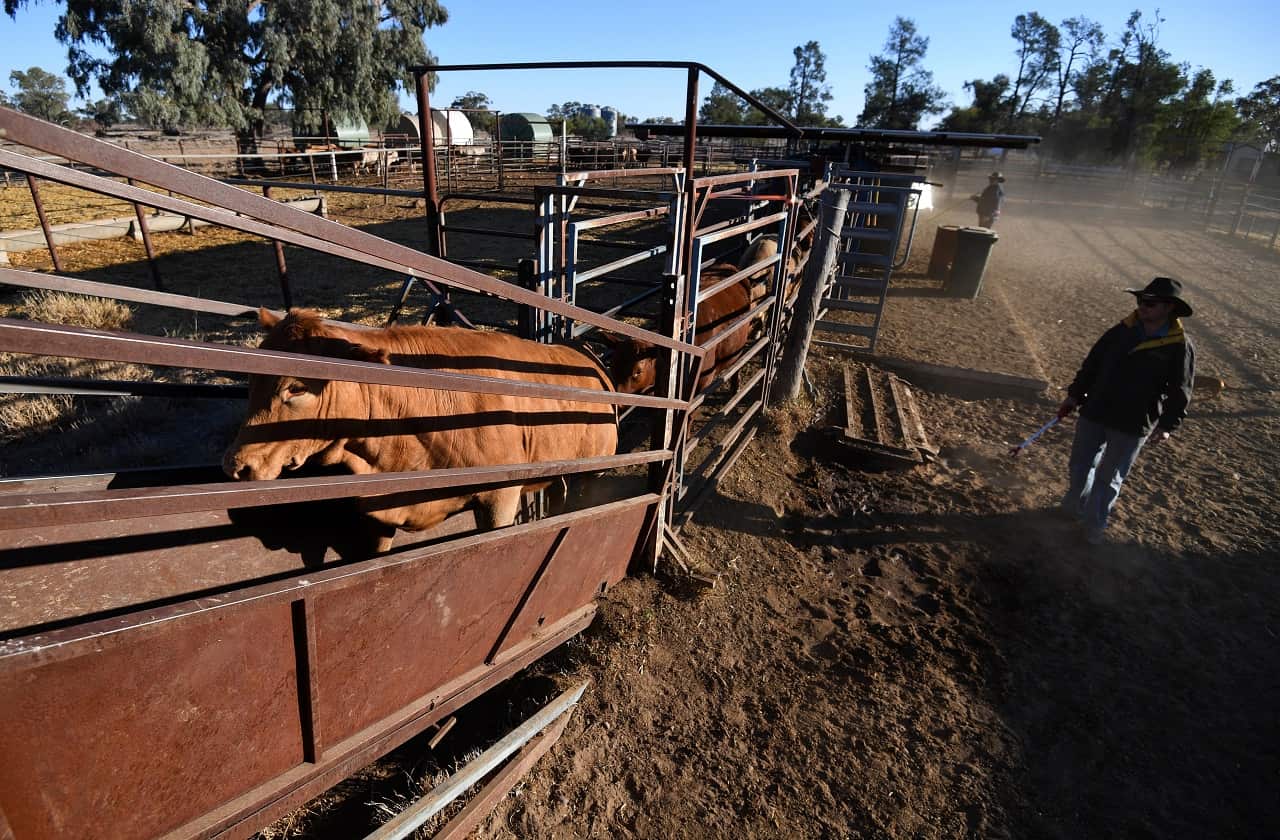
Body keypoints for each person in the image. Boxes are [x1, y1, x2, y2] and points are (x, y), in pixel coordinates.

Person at [1057, 277, 1196, 544]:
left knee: (1109, 476)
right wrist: (1075, 395)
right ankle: (1074, 507)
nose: (1142, 307)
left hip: (1134, 420)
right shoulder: (1120, 331)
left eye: (1149, 303)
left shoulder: (1180, 346)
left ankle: (1093, 525)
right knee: (1080, 465)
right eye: (1140, 300)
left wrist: (1167, 425)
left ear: (1168, 307)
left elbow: (1181, 389)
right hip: (1096, 409)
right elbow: (1093, 363)